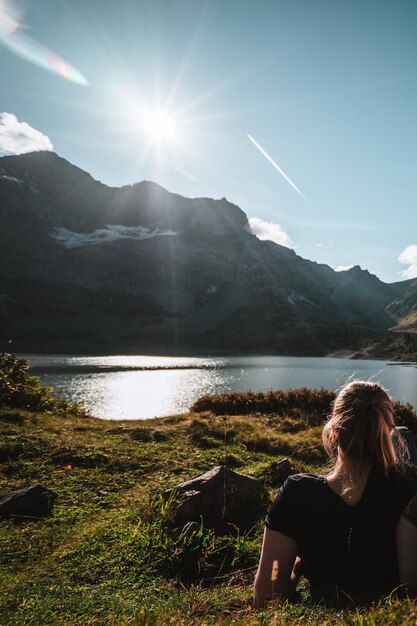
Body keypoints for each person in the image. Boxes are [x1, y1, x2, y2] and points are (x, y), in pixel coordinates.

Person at [253, 380, 417, 608]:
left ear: (335, 433)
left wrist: (296, 570)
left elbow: (266, 597)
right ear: (386, 435)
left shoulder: (298, 495)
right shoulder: (408, 490)